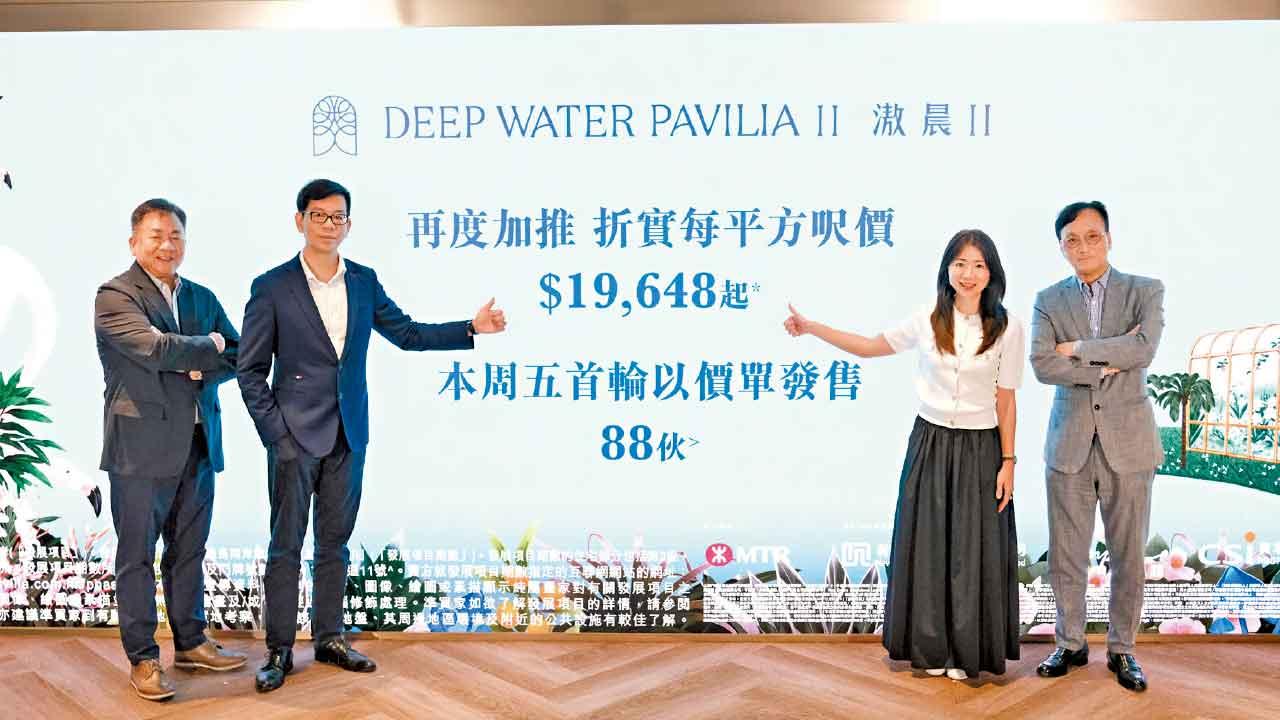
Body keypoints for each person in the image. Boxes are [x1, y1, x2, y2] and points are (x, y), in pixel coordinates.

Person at [237, 179, 507, 692]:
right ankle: (278, 650)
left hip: (349, 434)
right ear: (299, 220)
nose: (329, 225)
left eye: (338, 217)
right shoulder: (271, 286)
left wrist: (470, 328)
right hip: (293, 439)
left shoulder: (363, 281)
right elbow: (250, 371)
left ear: (349, 225)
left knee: (334, 543)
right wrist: (277, 436)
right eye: (319, 215)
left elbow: (407, 334)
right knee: (285, 546)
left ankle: (329, 638)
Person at [784, 229, 1023, 679]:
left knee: (972, 553)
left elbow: (1006, 399)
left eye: (978, 265)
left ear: (991, 273)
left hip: (981, 446)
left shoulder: (1008, 327)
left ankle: (966, 655)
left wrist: (1008, 462)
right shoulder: (927, 320)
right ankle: (930, 651)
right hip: (930, 442)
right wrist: (813, 327)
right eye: (960, 264)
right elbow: (869, 346)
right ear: (947, 269)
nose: (968, 274)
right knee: (928, 547)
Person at [94, 198, 247, 701]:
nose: (167, 245)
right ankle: (143, 659)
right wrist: (210, 346)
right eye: (156, 235)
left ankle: (191, 643)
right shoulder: (115, 295)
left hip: (199, 443)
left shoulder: (201, 295)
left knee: (188, 551)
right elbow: (154, 349)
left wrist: (201, 357)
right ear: (134, 242)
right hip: (140, 450)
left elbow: (239, 352)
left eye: (176, 235)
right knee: (136, 556)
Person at [1030, 201, 1163, 692]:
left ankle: (1123, 649)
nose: (1082, 246)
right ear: (1061, 247)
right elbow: (1043, 364)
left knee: (1127, 555)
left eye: (1092, 236)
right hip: (1068, 445)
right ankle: (1070, 643)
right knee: (1067, 556)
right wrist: (1109, 361)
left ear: (1109, 238)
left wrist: (1080, 350)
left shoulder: (1145, 290)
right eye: (1072, 239)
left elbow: (1144, 348)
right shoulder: (1048, 299)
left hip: (1130, 445)